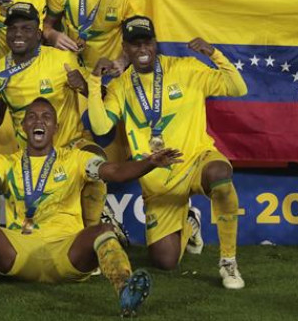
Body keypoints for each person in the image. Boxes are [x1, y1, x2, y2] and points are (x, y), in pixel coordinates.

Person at [0, 97, 179, 315]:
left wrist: (150, 163)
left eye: (46, 117)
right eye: (32, 117)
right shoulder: (5, 162)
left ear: (55, 128)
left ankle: (126, 290)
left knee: (103, 231)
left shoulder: (76, 159)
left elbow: (115, 172)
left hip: (67, 251)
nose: (39, 121)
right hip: (19, 252)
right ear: (24, 127)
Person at [87, 16, 249, 288]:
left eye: (147, 42)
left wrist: (214, 54)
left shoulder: (186, 68)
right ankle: (190, 222)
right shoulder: (120, 86)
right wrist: (94, 81)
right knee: (165, 260)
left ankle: (228, 262)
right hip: (158, 180)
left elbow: (238, 87)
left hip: (195, 160)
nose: (142, 49)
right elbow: (101, 126)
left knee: (220, 175)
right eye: (135, 44)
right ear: (125, 49)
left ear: (155, 43)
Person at [0, 2, 114, 233]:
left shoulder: (62, 59)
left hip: (71, 144)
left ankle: (92, 231)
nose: (18, 34)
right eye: (13, 28)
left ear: (39, 34)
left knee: (96, 160)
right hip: (33, 156)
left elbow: (103, 95)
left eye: (26, 28)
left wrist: (84, 86)